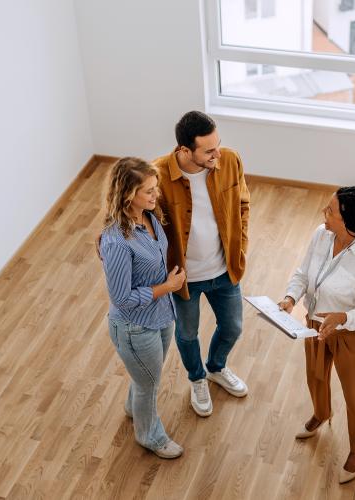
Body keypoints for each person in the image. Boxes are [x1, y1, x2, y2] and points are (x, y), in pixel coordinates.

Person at [277, 187, 355, 483]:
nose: (324, 214)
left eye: (330, 211)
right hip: (315, 323)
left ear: (349, 221)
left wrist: (343, 318)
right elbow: (302, 272)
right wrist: (290, 298)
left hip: (352, 335)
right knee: (315, 375)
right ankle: (321, 413)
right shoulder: (320, 234)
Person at [154, 111, 251, 417]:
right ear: (184, 150)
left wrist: (241, 245)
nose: (217, 154)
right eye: (208, 151)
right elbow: (140, 221)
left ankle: (216, 368)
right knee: (187, 334)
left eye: (217, 145)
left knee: (233, 327)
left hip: (225, 269)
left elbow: (243, 205)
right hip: (185, 277)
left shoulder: (230, 161)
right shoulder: (156, 175)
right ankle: (197, 379)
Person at [99, 157, 187, 459]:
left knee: (146, 376)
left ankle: (132, 407)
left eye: (155, 188)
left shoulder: (149, 217)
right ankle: (150, 435)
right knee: (150, 383)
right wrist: (167, 288)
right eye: (148, 191)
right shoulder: (116, 242)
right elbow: (121, 298)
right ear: (128, 195)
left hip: (162, 314)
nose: (156, 195)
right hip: (135, 327)